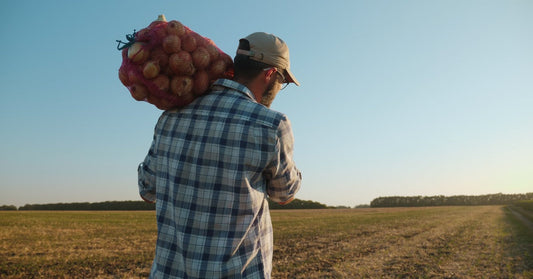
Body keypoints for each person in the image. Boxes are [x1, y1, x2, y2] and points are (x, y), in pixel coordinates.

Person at [138, 32, 302, 278]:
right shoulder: (271, 124)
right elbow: (285, 193)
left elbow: (147, 188)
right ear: (269, 74)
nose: (280, 88)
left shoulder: (171, 116)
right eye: (283, 81)